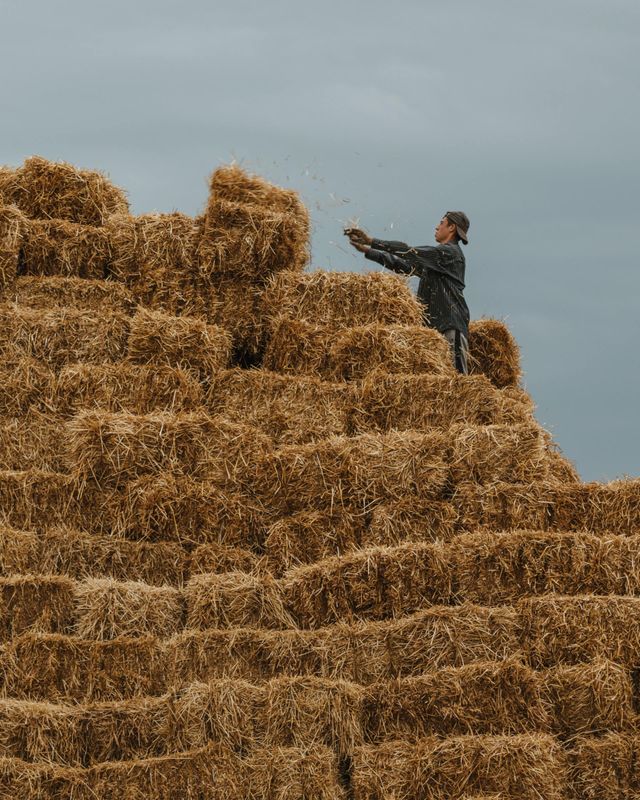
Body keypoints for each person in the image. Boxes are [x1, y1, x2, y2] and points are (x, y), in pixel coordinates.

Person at [345, 212, 471, 374]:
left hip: (451, 325)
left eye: (441, 223)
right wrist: (367, 250)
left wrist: (371, 241)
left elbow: (409, 251)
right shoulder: (435, 262)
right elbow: (402, 265)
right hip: (434, 330)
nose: (437, 227)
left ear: (452, 227)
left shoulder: (449, 253)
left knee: (458, 379)